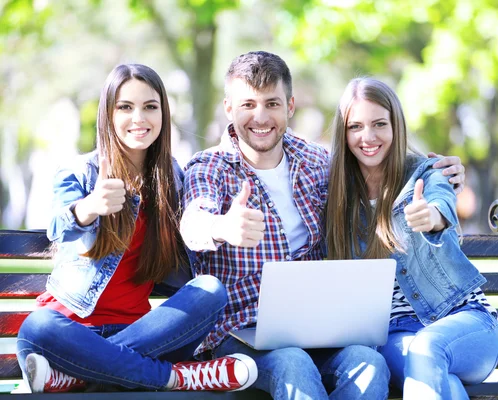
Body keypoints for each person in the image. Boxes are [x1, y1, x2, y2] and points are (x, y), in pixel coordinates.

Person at [180, 51, 465, 399]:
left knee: (368, 362)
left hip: (317, 329)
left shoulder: (316, 160)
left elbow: (375, 165)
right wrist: (223, 227)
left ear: (290, 106)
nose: (260, 116)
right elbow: (194, 223)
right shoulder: (209, 167)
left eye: (271, 103)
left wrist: (435, 172)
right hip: (241, 334)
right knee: (293, 363)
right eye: (247, 104)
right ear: (228, 108)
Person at [16, 64, 257, 394]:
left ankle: (83, 376)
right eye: (125, 107)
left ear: (163, 113)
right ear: (109, 114)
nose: (139, 118)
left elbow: (194, 227)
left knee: (210, 290)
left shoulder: (172, 178)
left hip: (144, 333)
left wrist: (222, 227)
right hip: (69, 333)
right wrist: (90, 207)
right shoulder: (80, 170)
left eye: (150, 107)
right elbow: (59, 227)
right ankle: (178, 378)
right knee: (37, 326)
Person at [325, 77, 498, 400]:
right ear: (343, 132)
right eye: (356, 127)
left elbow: (440, 203)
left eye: (380, 124)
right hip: (397, 335)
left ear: (397, 126)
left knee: (428, 347)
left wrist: (431, 217)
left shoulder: (427, 174)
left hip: (465, 323)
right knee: (439, 378)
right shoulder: (336, 195)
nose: (368, 137)